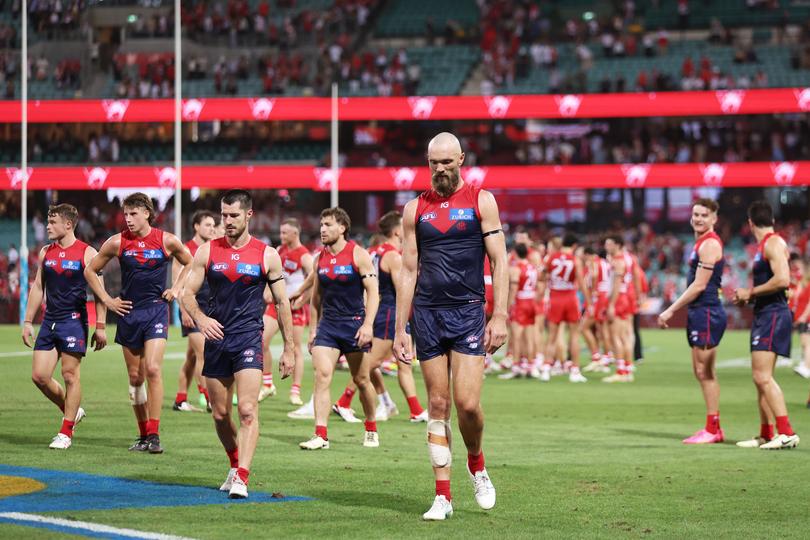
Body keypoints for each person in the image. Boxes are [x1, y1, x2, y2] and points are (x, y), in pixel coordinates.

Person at [394, 132, 508, 521]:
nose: (439, 169)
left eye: (446, 162)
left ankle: (477, 463)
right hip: (426, 314)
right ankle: (442, 495)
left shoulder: (481, 200)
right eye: (433, 163)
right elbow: (408, 271)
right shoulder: (414, 210)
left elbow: (500, 262)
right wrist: (399, 329)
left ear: (461, 159)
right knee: (438, 405)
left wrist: (501, 314)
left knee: (468, 404)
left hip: (468, 312)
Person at [182, 189, 295, 498]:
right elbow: (186, 293)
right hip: (216, 340)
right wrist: (201, 319)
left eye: (233, 215)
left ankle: (243, 476)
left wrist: (289, 349)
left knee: (247, 409)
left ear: (248, 215)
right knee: (220, 414)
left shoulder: (266, 254)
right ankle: (234, 462)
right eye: (224, 215)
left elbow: (283, 303)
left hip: (248, 338)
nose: (227, 221)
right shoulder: (207, 251)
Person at [84, 193, 193, 454]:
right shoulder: (117, 242)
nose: (128, 219)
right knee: (135, 377)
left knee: (153, 369)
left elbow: (190, 262)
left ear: (147, 212)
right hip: (128, 313)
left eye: (133, 214)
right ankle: (143, 434)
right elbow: (90, 270)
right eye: (126, 214)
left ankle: (154, 435)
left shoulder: (166, 240)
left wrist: (176, 289)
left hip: (156, 311)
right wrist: (108, 301)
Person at [22, 204, 108, 449]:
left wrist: (100, 325)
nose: (47, 226)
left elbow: (100, 292)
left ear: (68, 225)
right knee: (39, 376)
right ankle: (71, 409)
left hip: (73, 320)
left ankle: (65, 432)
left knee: (70, 375)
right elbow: (39, 287)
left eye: (52, 222)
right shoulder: (45, 252)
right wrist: (28, 321)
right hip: (50, 321)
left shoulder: (88, 253)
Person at [333, 211, 429, 421]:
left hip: (376, 310)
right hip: (390, 312)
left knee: (404, 364)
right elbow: (402, 288)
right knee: (372, 362)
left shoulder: (372, 251)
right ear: (397, 231)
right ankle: (344, 401)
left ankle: (415, 410)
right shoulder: (394, 256)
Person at [299, 207, 380, 450]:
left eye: (328, 225)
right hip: (329, 327)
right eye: (321, 225)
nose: (322, 229)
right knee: (322, 376)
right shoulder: (319, 259)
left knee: (362, 380)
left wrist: (367, 325)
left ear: (342, 227)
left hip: (355, 325)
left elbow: (374, 293)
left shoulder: (359, 255)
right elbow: (316, 299)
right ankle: (321, 435)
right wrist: (313, 330)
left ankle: (371, 426)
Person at [658, 199, 727, 444]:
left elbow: (699, 285)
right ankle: (712, 427)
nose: (698, 218)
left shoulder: (709, 244)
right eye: (695, 214)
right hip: (701, 311)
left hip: (707, 311)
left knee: (705, 371)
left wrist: (670, 310)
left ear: (714, 218)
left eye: (703, 215)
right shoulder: (700, 243)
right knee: (701, 371)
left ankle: (713, 429)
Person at [733, 201, 800, 449]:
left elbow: (783, 279)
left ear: (750, 223)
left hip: (773, 314)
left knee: (762, 377)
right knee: (760, 378)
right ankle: (766, 433)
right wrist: (749, 297)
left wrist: (750, 292)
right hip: (766, 312)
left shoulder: (773, 243)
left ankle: (787, 432)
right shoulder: (766, 245)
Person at [259, 218, 313, 406]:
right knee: (261, 339)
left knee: (294, 348)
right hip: (276, 306)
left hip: (294, 308)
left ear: (295, 234)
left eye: (284, 233)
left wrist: (303, 301)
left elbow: (315, 281)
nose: (280, 236)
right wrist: (267, 291)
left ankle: (295, 391)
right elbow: (270, 275)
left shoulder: (304, 255)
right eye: (280, 232)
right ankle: (267, 384)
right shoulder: (280, 251)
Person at [173, 210, 217, 412]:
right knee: (203, 354)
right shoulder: (185, 250)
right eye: (207, 224)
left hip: (209, 308)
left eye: (213, 225)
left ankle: (180, 399)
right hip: (192, 309)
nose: (212, 228)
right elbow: (177, 283)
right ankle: (209, 399)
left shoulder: (211, 249)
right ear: (196, 227)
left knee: (191, 357)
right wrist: (183, 311)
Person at [538, 233, 589, 383]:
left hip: (555, 298)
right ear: (574, 246)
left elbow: (541, 276)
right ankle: (574, 371)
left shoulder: (552, 257)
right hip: (570, 298)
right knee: (574, 336)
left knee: (552, 336)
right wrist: (589, 302)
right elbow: (581, 282)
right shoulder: (575, 260)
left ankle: (546, 369)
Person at [603, 235, 640, 383]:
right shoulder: (628, 258)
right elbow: (636, 275)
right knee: (627, 335)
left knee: (616, 336)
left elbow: (616, 285)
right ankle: (628, 367)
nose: (607, 247)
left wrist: (611, 305)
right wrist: (638, 295)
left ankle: (620, 370)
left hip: (619, 299)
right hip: (627, 297)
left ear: (617, 245)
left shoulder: (618, 261)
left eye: (609, 244)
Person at [499, 243, 538, 379]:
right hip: (531, 301)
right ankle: (530, 365)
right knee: (529, 337)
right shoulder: (533, 267)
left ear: (515, 253)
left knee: (516, 337)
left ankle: (516, 367)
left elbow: (514, 289)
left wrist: (508, 306)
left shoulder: (516, 269)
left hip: (521, 303)